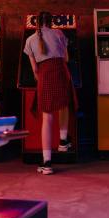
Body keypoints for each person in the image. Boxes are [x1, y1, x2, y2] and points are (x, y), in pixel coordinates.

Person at [23, 11, 76, 175]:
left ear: (36, 23)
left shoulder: (30, 40)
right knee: (64, 104)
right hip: (60, 72)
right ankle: (63, 140)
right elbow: (66, 58)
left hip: (44, 76)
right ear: (52, 22)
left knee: (47, 118)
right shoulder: (59, 33)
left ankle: (47, 163)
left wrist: (41, 78)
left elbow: (34, 70)